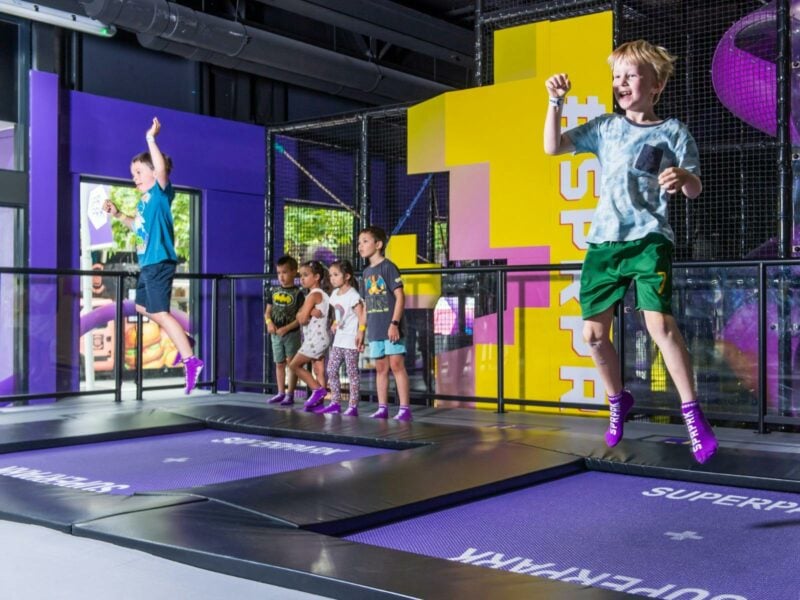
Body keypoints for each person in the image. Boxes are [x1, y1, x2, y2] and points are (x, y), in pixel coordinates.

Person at [543, 40, 718, 463]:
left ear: (656, 86)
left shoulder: (672, 132)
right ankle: (617, 399)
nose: (621, 83)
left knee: (660, 325)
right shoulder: (606, 127)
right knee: (592, 336)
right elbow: (552, 146)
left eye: (631, 75)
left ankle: (693, 416)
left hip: (649, 239)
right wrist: (555, 102)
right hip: (604, 243)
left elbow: (695, 189)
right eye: (616, 76)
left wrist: (683, 177)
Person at [103, 117, 203, 395]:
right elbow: (138, 227)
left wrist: (151, 138)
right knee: (142, 307)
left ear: (154, 173)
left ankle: (191, 360)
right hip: (147, 264)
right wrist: (118, 214)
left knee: (160, 312)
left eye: (138, 172)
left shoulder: (160, 193)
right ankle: (185, 340)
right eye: (132, 173)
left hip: (160, 262)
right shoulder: (143, 202)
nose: (134, 177)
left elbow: (160, 169)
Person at [358, 226, 412, 421]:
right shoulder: (366, 273)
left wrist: (394, 323)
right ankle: (382, 408)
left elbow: (400, 297)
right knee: (381, 368)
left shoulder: (388, 267)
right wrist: (361, 330)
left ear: (378, 244)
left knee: (396, 365)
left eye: (365, 241)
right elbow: (365, 305)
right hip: (375, 329)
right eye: (359, 242)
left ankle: (404, 409)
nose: (360, 246)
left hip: (391, 328)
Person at [317, 260, 366, 415]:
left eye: (336, 275)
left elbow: (361, 316)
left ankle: (353, 406)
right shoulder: (335, 294)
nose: (332, 278)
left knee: (352, 373)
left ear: (347, 276)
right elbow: (339, 313)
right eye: (331, 275)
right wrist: (335, 323)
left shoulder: (353, 296)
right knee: (331, 370)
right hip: (338, 341)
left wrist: (361, 333)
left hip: (351, 341)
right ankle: (335, 402)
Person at [289, 260, 332, 411]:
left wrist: (304, 313)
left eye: (306, 275)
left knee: (294, 365)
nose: (302, 279)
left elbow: (300, 319)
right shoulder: (322, 295)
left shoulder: (313, 295)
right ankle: (319, 404)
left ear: (317, 277)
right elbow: (300, 314)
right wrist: (308, 312)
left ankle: (317, 389)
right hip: (320, 337)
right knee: (319, 370)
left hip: (315, 339)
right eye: (301, 276)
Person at [264, 255, 304, 406]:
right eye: (279, 272)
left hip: (291, 334)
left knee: (292, 363)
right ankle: (280, 392)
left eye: (285, 272)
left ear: (294, 272)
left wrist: (287, 328)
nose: (281, 276)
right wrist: (269, 323)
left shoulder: (298, 294)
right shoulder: (273, 291)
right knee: (279, 363)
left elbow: (300, 317)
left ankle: (290, 394)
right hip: (275, 334)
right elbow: (267, 312)